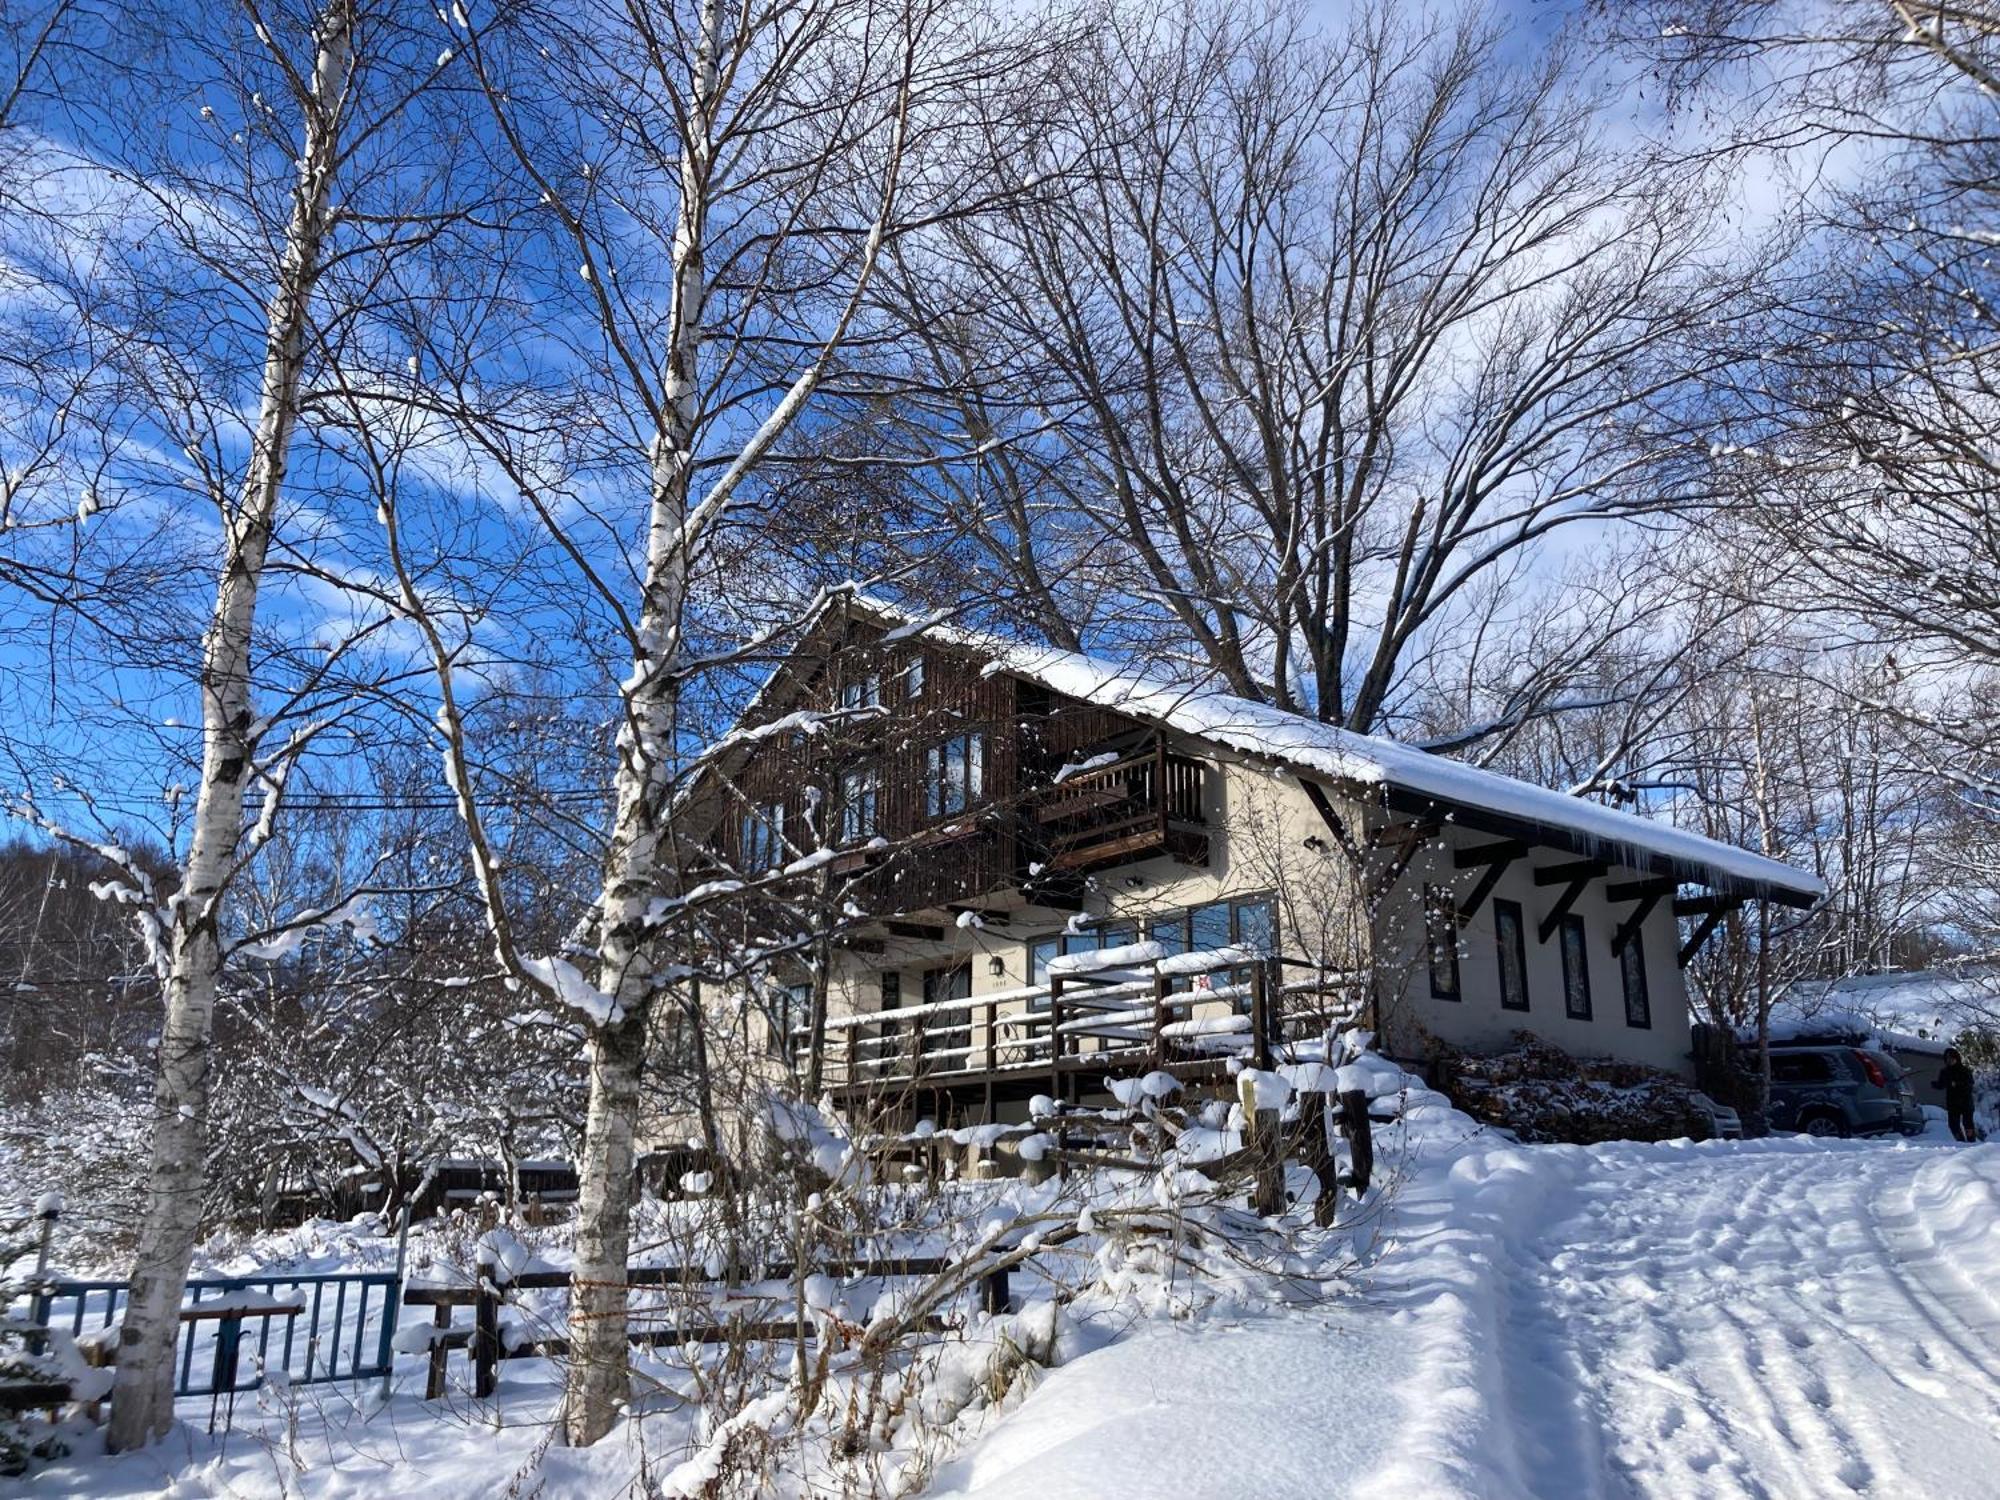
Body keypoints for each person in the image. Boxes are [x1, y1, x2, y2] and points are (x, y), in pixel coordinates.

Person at [1939, 1047, 1979, 1143]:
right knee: (1953, 1125)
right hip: (1952, 1103)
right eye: (1947, 1059)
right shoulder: (1944, 1072)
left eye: (1951, 1058)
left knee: (1968, 1124)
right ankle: (1961, 1142)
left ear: (1956, 1058)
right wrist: (1936, 1084)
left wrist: (1956, 1084)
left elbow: (1970, 1084)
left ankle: (1971, 1142)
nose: (1949, 1061)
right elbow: (1941, 1084)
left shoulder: (1964, 1070)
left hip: (1965, 1102)